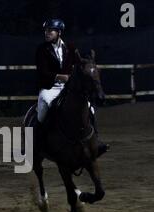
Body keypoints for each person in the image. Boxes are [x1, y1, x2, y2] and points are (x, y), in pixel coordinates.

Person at [35, 18, 109, 155]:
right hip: (50, 88)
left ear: (59, 32)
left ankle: (96, 141)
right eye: (46, 30)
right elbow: (42, 72)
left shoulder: (70, 48)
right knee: (44, 108)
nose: (47, 33)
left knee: (90, 108)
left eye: (51, 30)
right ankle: (35, 143)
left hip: (69, 87)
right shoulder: (41, 50)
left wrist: (87, 64)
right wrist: (58, 76)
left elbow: (79, 64)